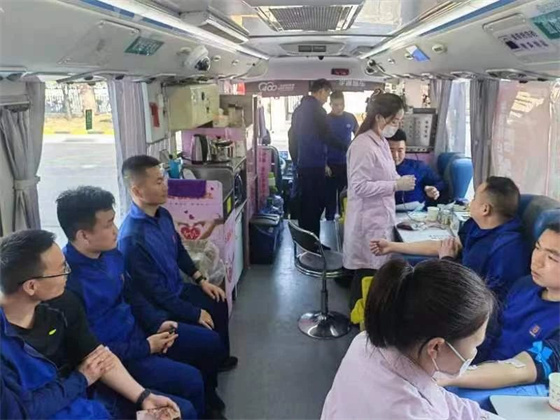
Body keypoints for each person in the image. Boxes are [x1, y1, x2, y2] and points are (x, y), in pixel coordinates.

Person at [56, 186, 227, 418]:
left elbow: (133, 295)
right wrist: (147, 346)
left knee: (209, 342)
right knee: (190, 380)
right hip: (122, 358)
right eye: (108, 225)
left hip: (141, 333)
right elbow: (92, 349)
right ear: (83, 235)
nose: (116, 230)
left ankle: (208, 403)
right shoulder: (69, 287)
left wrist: (157, 323)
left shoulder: (111, 254)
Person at [0, 230, 184, 419]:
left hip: (83, 402)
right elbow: (21, 412)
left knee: (176, 411)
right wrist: (81, 379)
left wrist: (144, 396)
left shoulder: (61, 303)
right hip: (58, 406)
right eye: (62, 270)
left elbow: (97, 356)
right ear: (31, 286)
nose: (67, 274)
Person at [321, 259, 499, 420]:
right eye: (475, 345)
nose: (474, 353)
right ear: (436, 347)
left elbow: (445, 403)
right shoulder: (411, 411)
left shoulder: (365, 342)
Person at [117, 156, 237, 374]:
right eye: (158, 182)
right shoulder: (132, 239)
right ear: (137, 191)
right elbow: (155, 293)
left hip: (178, 290)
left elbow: (179, 250)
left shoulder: (162, 214)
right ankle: (208, 380)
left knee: (218, 300)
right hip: (161, 307)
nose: (165, 185)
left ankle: (220, 358)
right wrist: (194, 313)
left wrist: (201, 280)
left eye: (163, 178)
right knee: (205, 335)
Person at [438, 223, 560, 408]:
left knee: (454, 400)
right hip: (485, 366)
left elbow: (525, 368)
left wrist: (451, 376)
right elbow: (490, 329)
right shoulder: (525, 285)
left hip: (525, 385)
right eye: (537, 248)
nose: (537, 261)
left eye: (552, 257)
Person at [371, 176, 530, 304]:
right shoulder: (475, 225)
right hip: (455, 285)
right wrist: (392, 246)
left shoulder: (508, 249)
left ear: (485, 209)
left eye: (475, 198)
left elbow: (487, 300)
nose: (471, 202)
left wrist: (447, 261)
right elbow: (442, 246)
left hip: (468, 305)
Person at [343, 92, 416, 308]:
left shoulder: (381, 142)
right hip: (368, 224)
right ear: (378, 117)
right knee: (366, 274)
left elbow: (387, 173)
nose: (397, 125)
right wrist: (395, 185)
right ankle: (357, 320)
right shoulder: (363, 146)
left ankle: (367, 317)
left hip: (380, 219)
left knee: (374, 277)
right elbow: (358, 186)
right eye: (394, 121)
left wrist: (400, 180)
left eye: (400, 121)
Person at [290, 79, 348, 237]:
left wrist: (296, 160)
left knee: (305, 205)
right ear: (321, 91)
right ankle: (313, 242)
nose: (326, 98)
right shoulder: (317, 111)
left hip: (303, 165)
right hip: (314, 165)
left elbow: (292, 138)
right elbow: (326, 136)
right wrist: (347, 147)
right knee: (316, 205)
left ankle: (306, 240)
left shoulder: (298, 110)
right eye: (327, 94)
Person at [387, 128, 445, 210]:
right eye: (391, 151)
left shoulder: (418, 167)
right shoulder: (374, 169)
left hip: (415, 212)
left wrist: (433, 189)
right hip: (383, 213)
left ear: (405, 149)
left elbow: (440, 182)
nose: (395, 156)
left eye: (400, 151)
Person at [324, 91, 359, 221]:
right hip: (330, 164)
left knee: (346, 196)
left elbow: (359, 136)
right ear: (330, 104)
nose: (339, 107)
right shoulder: (325, 120)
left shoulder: (350, 118)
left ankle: (346, 221)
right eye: (336, 105)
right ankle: (329, 221)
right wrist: (324, 164)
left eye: (341, 104)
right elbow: (320, 143)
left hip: (347, 164)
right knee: (330, 198)